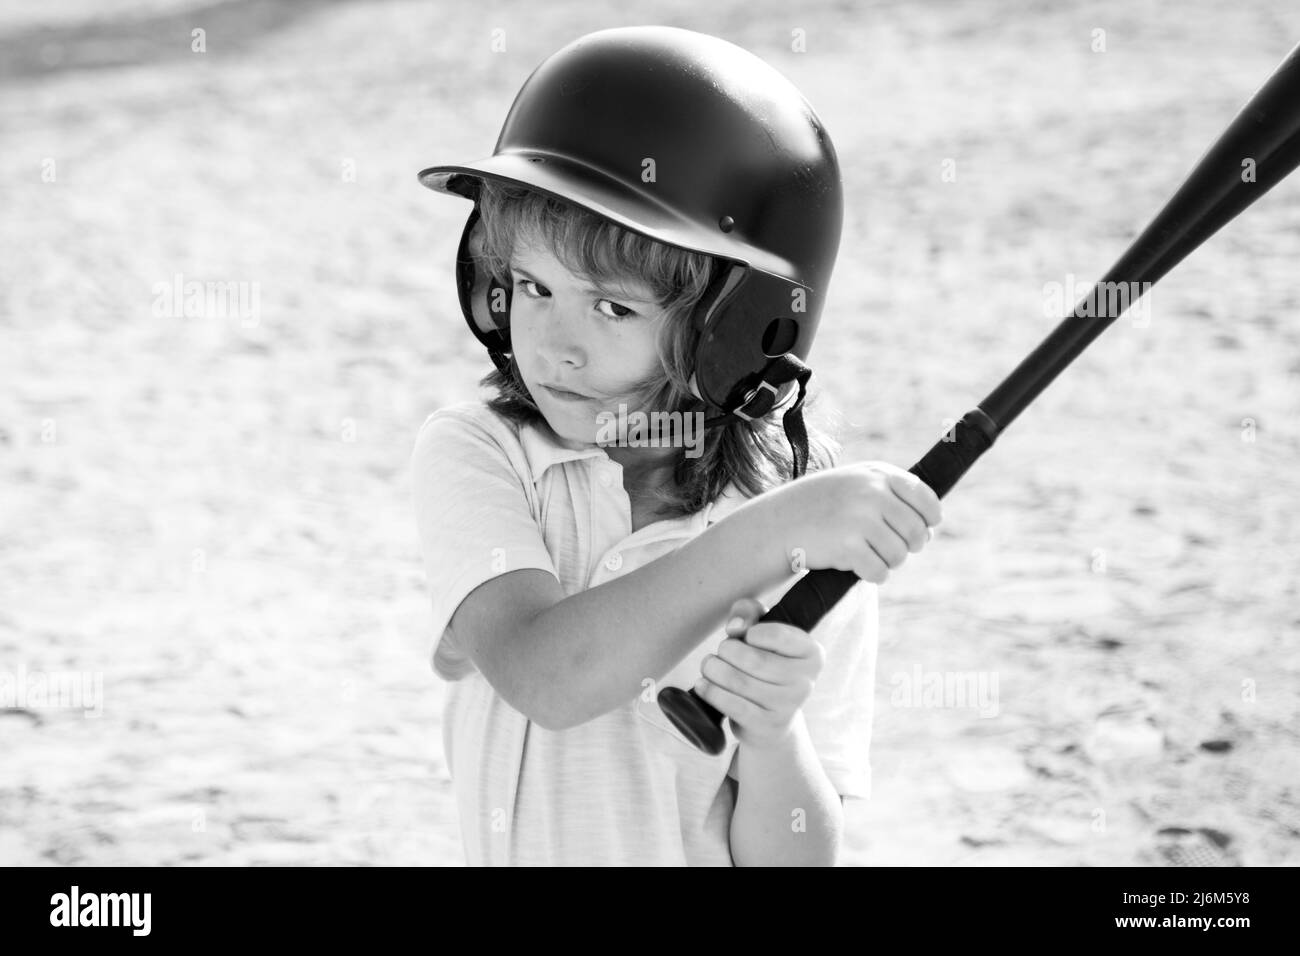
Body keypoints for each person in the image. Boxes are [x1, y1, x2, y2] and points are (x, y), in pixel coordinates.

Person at [409, 26, 941, 866]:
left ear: (735, 329)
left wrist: (772, 737)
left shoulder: (815, 518)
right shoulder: (484, 453)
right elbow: (547, 675)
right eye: (531, 287)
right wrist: (772, 535)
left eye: (613, 308)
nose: (554, 347)